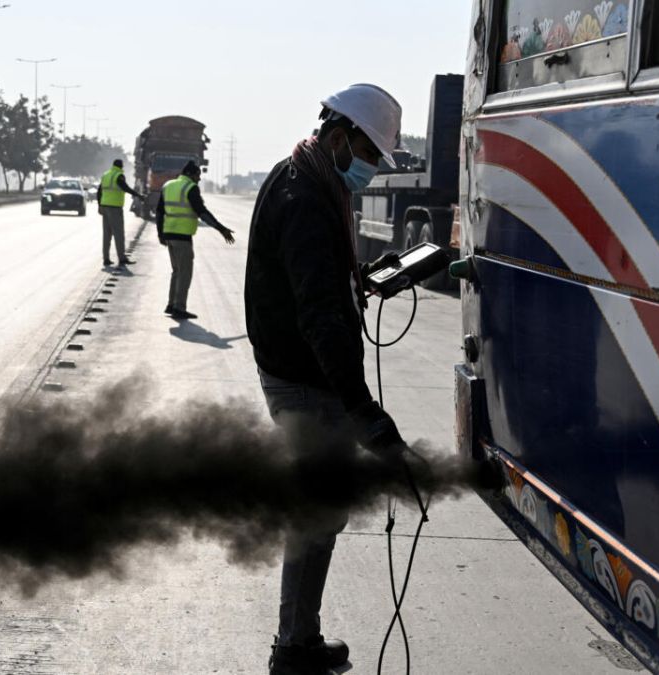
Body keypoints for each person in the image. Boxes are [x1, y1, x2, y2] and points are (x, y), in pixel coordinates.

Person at [244, 84, 408, 675]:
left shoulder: (304, 175)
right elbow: (317, 315)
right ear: (339, 139)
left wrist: (361, 277)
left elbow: (313, 279)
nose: (369, 169)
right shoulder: (305, 198)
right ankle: (294, 648)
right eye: (368, 155)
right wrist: (364, 411)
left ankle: (299, 637)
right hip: (303, 377)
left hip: (295, 368)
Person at [157, 160, 235, 320]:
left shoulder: (168, 186)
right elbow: (202, 212)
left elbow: (159, 212)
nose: (199, 179)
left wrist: (160, 234)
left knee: (176, 271)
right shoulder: (190, 188)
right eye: (198, 176)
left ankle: (171, 305)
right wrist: (222, 229)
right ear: (191, 174)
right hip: (182, 237)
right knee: (184, 273)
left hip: (169, 235)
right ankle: (179, 308)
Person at [97, 159, 145, 268]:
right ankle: (122, 258)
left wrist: (99, 205)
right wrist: (138, 195)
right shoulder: (118, 175)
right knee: (118, 234)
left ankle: (106, 258)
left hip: (105, 207)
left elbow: (99, 191)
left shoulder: (106, 175)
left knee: (107, 234)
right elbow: (125, 188)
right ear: (121, 166)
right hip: (115, 208)